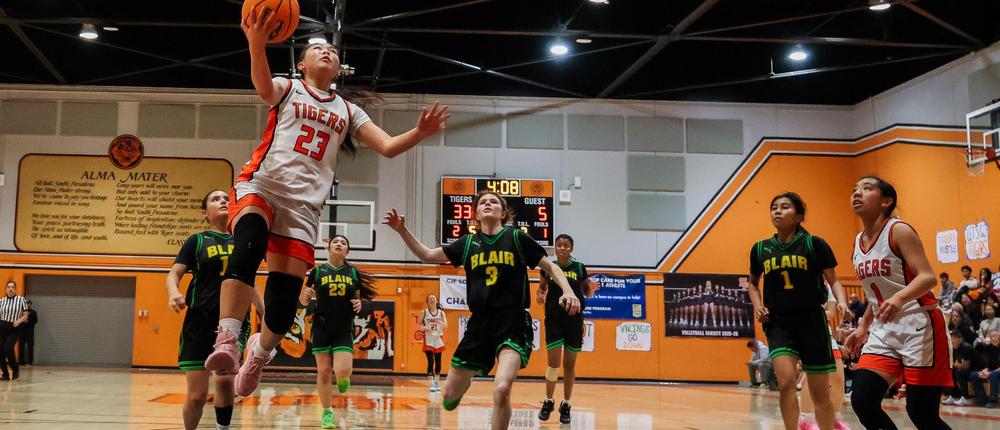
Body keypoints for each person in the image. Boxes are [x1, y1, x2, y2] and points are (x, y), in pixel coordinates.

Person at [204, 6, 448, 397]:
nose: (326, 52)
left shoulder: (348, 110)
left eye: (332, 52)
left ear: (338, 69)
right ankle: (228, 339)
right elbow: (262, 86)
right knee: (247, 244)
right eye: (317, 48)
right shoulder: (289, 88)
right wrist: (255, 44)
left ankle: (260, 354)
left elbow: (386, 146)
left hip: (303, 207)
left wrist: (418, 132)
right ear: (301, 63)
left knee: (283, 304)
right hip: (262, 184)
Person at [383, 190, 581, 430]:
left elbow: (550, 266)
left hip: (513, 321)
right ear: (476, 213)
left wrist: (568, 291)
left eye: (494, 202)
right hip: (479, 325)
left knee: (502, 388)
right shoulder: (467, 243)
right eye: (483, 202)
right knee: (448, 397)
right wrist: (402, 230)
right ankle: (464, 381)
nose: (488, 204)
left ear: (503, 212)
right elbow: (426, 255)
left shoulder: (517, 238)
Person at [844, 176, 952, 430]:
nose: (857, 194)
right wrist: (862, 327)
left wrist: (900, 297)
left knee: (921, 413)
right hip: (884, 328)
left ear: (886, 201)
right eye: (854, 189)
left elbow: (928, 277)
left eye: (866, 189)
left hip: (919, 322)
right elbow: (876, 293)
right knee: (863, 400)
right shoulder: (858, 242)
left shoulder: (898, 230)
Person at [748, 192, 851, 430]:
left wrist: (842, 301)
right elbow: (753, 283)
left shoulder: (814, 244)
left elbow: (833, 279)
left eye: (785, 207)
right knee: (786, 383)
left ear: (799, 216)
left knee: (819, 394)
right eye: (774, 207)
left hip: (811, 321)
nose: (777, 211)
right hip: (779, 323)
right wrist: (757, 305)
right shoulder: (761, 249)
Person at [166, 190, 262, 430]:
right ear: (204, 213)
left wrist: (264, 310)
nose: (222, 202)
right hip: (198, 322)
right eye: (215, 199)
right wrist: (173, 292)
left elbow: (249, 282)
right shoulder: (196, 241)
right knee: (197, 396)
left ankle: (224, 428)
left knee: (224, 381)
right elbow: (174, 274)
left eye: (226, 199)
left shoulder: (241, 241)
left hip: (232, 322)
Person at [300, 234, 375, 429]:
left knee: (342, 371)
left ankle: (343, 378)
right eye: (335, 242)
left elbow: (358, 300)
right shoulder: (317, 272)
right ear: (329, 248)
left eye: (343, 243)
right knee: (324, 371)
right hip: (322, 326)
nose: (339, 244)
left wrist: (359, 303)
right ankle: (327, 412)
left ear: (347, 250)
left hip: (343, 327)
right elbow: (303, 301)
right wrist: (306, 296)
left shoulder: (353, 273)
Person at [536, 234, 596, 424]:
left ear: (571, 249)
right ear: (555, 248)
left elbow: (586, 290)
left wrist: (592, 290)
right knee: (553, 364)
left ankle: (566, 403)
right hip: (554, 318)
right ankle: (548, 400)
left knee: (569, 365)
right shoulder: (548, 268)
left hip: (574, 320)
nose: (562, 248)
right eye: (559, 245)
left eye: (566, 246)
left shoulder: (578, 267)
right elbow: (542, 287)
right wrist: (540, 294)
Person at [798, 287, 854, 430]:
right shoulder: (800, 280)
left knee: (838, 376)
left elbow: (831, 313)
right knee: (811, 376)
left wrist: (814, 312)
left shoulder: (826, 285)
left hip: (824, 331)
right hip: (806, 331)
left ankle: (834, 418)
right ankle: (806, 420)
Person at [0, 280, 28, 380]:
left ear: (15, 289)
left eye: (12, 287)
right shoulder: (1, 301)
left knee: (8, 348)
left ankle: (15, 370)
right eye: (8, 287)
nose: (10, 289)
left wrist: (19, 321)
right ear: (5, 289)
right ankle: (5, 374)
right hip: (3, 326)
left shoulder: (21, 300)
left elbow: (25, 316)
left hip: (15, 327)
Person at [419, 294, 447, 393]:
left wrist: (440, 322)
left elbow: (445, 325)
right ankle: (431, 384)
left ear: (436, 301)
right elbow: (419, 325)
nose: (432, 299)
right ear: (427, 301)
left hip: (438, 338)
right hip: (428, 339)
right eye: (430, 298)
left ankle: (437, 382)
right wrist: (424, 327)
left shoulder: (441, 313)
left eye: (433, 298)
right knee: (431, 361)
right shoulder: (424, 312)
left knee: (438, 362)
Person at [943, 330, 978, 406]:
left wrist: (956, 364)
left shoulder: (966, 347)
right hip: (966, 369)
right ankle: (953, 396)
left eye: (955, 338)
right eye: (951, 338)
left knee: (959, 372)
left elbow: (965, 366)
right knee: (949, 371)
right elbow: (954, 363)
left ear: (961, 338)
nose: (952, 340)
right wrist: (956, 364)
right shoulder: (954, 348)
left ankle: (965, 397)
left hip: (976, 369)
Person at [970, 330, 1000, 407]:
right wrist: (984, 371)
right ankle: (982, 399)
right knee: (974, 375)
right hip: (993, 372)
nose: (993, 339)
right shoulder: (992, 349)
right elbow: (989, 366)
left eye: (995, 336)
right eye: (991, 337)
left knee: (993, 375)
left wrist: (989, 373)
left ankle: (993, 401)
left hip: (996, 373)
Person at [17, 299, 37, 367]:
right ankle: (21, 361)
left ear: (31, 304)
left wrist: (28, 321)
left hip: (30, 332)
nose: (28, 305)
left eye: (29, 303)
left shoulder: (33, 312)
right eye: (27, 303)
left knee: (30, 346)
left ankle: (30, 361)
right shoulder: (21, 312)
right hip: (22, 331)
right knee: (21, 347)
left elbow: (36, 321)